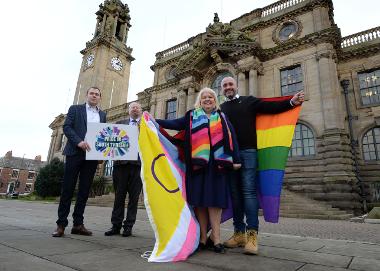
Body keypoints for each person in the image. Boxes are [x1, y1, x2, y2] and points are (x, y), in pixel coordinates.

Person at [220, 76, 304, 254]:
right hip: (229, 157)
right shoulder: (222, 109)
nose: (228, 87)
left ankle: (252, 235)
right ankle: (238, 233)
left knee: (248, 192)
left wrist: (291, 102)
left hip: (248, 153)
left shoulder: (249, 101)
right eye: (224, 85)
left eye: (230, 84)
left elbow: (271, 107)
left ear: (236, 86)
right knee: (235, 195)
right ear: (222, 89)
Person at [156, 88, 241, 253]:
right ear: (199, 101)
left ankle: (216, 238)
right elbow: (174, 123)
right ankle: (202, 238)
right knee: (200, 201)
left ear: (215, 100)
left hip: (218, 165)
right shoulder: (191, 116)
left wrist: (236, 160)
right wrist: (154, 121)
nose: (207, 99)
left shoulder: (222, 117)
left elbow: (233, 138)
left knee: (215, 201)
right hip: (197, 165)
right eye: (204, 97)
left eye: (210, 97)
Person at [52, 87, 107, 237]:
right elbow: (67, 127)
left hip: (91, 156)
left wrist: (101, 154)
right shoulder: (75, 109)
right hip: (75, 152)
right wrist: (79, 142)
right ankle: (61, 224)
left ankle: (78, 224)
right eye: (92, 93)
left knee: (84, 191)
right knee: (67, 189)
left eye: (97, 94)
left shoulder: (102, 114)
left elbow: (102, 135)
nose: (94, 96)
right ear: (87, 95)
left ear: (100, 97)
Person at [105, 102, 143, 237]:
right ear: (129, 110)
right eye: (132, 107)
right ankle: (116, 225)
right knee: (119, 197)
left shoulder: (146, 125)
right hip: (121, 165)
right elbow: (110, 142)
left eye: (137, 107)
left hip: (138, 166)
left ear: (141, 110)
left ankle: (128, 226)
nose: (135, 109)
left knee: (134, 198)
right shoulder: (120, 123)